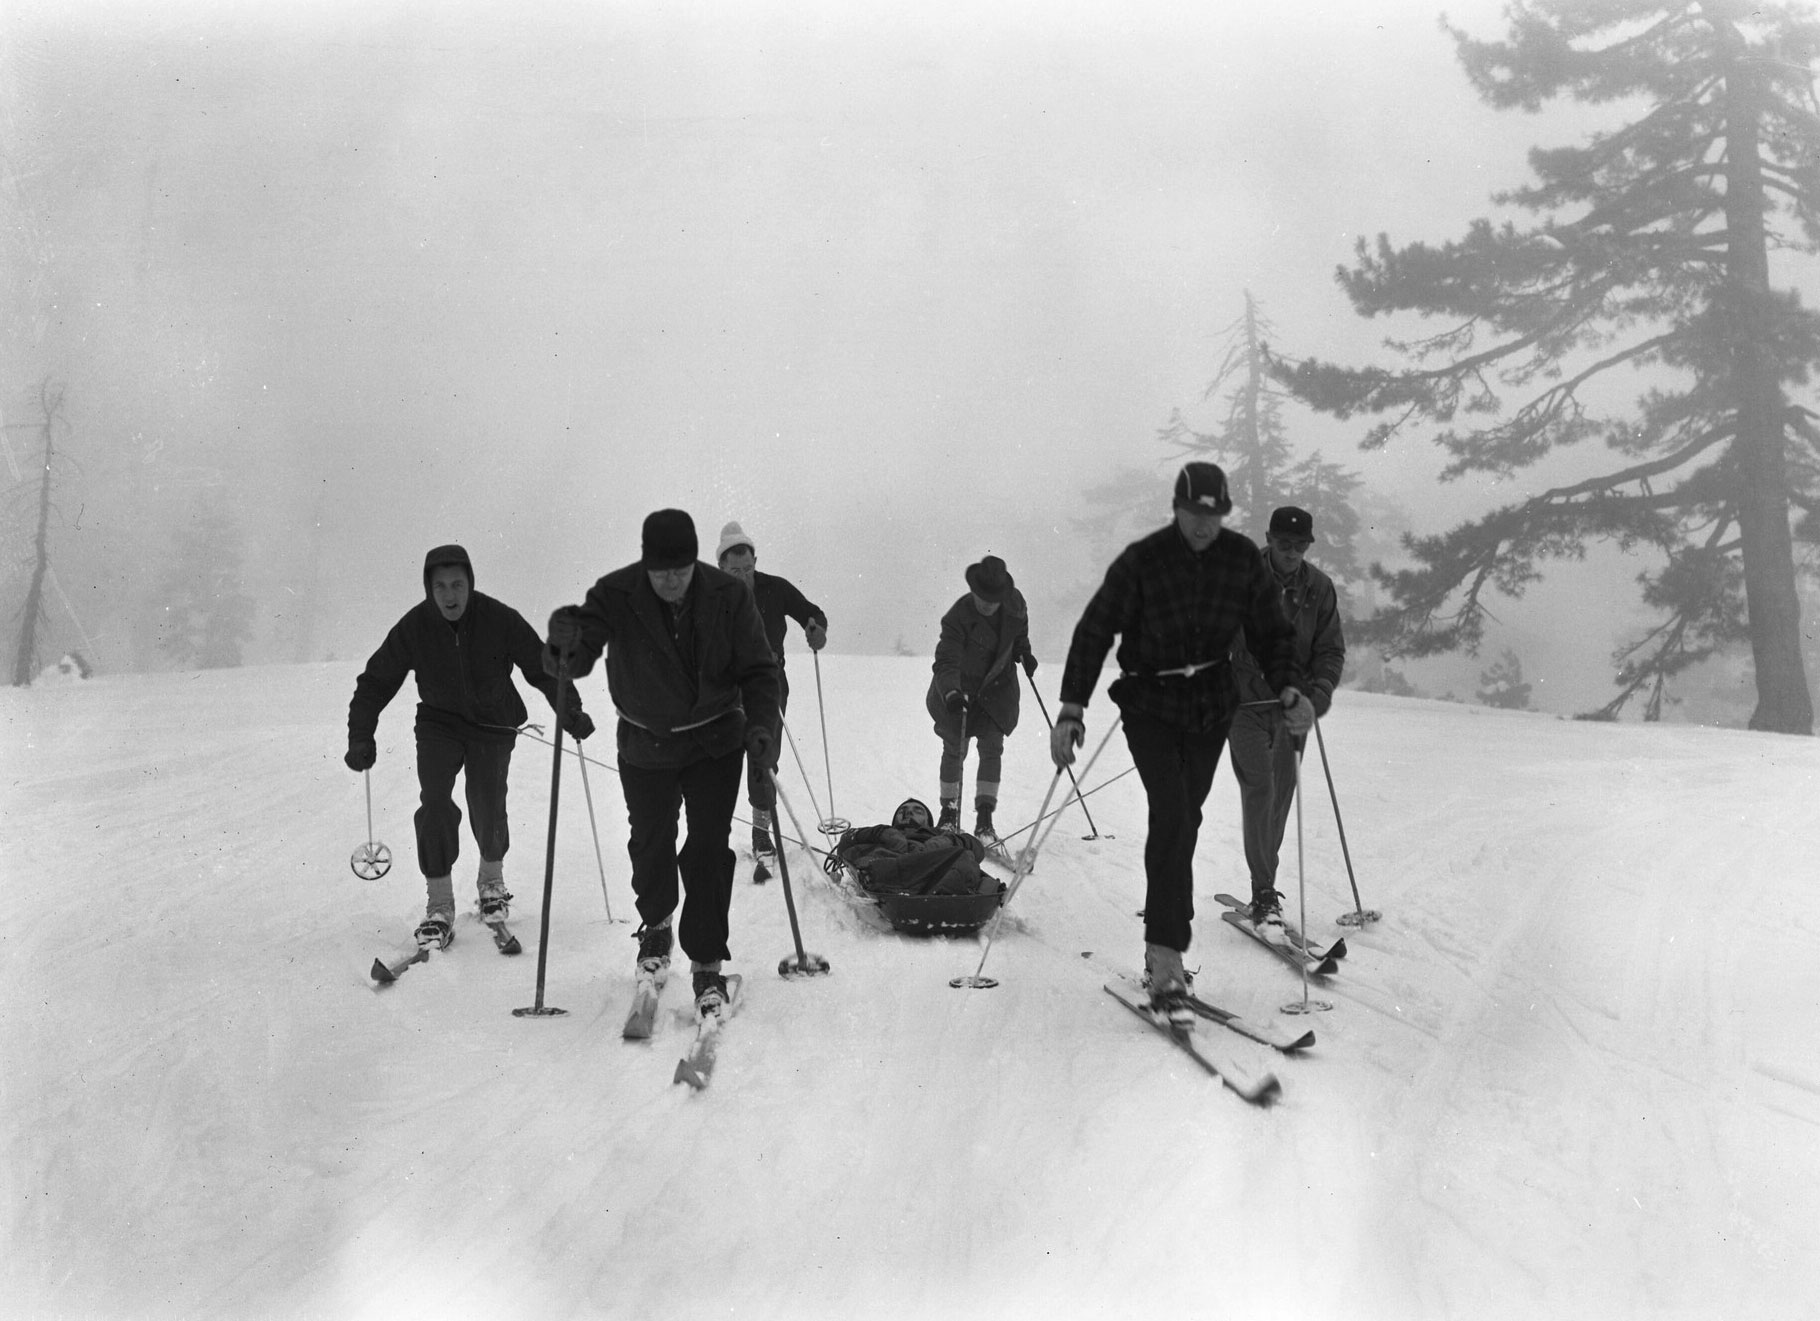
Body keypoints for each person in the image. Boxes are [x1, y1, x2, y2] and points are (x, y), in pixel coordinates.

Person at [1050, 463, 1312, 1023]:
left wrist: (1290, 684)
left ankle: (1162, 941)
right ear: (1177, 508)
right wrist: (1072, 708)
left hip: (1211, 705)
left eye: (1213, 514)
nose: (1203, 525)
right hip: (1150, 703)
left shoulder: (1241, 560)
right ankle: (1165, 956)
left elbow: (1272, 631)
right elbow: (1095, 630)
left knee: (1185, 818)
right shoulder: (1143, 561)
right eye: (1195, 513)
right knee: (1170, 812)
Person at [544, 510, 780, 1019]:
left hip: (715, 739)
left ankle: (707, 960)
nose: (671, 581)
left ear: (694, 560)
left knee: (708, 848)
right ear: (646, 564)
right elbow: (578, 656)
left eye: (680, 570)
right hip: (646, 743)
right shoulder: (616, 593)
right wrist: (562, 646)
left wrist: (762, 729)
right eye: (660, 571)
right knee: (650, 840)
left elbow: (761, 671)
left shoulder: (729, 596)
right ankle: (655, 928)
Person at [346, 544, 594, 950]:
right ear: (429, 588)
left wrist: (572, 711)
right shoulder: (416, 626)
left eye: (457, 584)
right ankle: (440, 903)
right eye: (440, 586)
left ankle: (491, 881)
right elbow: (375, 681)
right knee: (437, 804)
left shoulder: (499, 619)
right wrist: (361, 735)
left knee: (488, 800)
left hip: (492, 724)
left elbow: (544, 668)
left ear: (470, 584)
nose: (450, 595)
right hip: (439, 725)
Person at [1227, 506, 1347, 927]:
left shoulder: (1320, 588)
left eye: (1300, 545)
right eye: (1284, 544)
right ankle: (1264, 893)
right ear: (1269, 539)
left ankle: (1264, 883)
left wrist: (1318, 696)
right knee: (1260, 790)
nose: (1292, 552)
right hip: (1243, 706)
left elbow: (1330, 651)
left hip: (1292, 710)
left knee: (1279, 800)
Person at [714, 520, 828, 866]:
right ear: (721, 566)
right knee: (717, 755)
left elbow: (811, 612)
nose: (742, 576)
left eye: (748, 569)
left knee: (764, 752)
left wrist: (816, 628)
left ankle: (761, 832)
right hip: (724, 684)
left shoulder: (775, 589)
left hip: (769, 681)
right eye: (734, 570)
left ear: (755, 563)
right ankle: (710, 833)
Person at [924, 554, 1036, 847]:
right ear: (973, 590)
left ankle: (984, 821)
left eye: (992, 598)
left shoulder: (1014, 604)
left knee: (992, 747)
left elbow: (1019, 632)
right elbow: (946, 661)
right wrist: (950, 693)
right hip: (958, 688)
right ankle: (948, 815)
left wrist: (1023, 652)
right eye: (981, 596)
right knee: (954, 748)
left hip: (997, 689)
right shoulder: (957, 617)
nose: (986, 602)